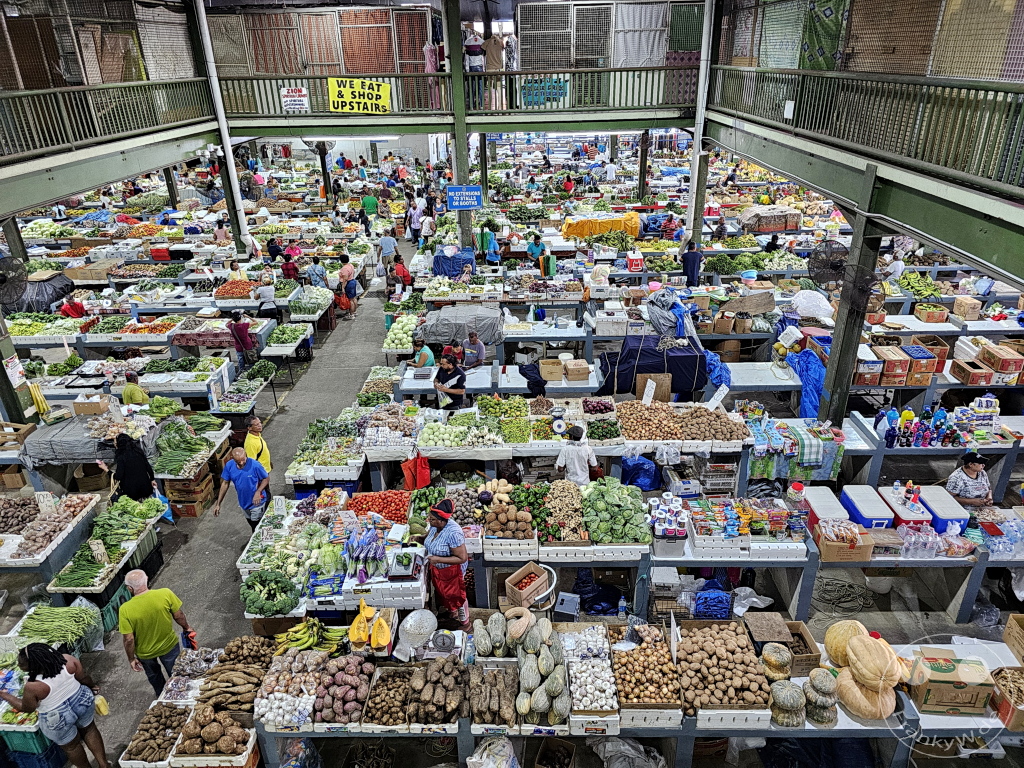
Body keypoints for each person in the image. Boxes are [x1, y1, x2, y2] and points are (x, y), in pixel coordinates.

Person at [0, 644, 108, 768]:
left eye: (22, 664)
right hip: (81, 701)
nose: (19, 666)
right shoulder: (68, 660)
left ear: (34, 666)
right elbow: (84, 678)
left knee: (72, 747)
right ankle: (104, 764)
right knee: (90, 729)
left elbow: (27, 708)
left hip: (57, 717)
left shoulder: (33, 686)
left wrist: (5, 695)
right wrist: (92, 686)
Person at [119, 570, 192, 696]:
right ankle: (181, 696)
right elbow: (178, 615)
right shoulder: (165, 593)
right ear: (146, 579)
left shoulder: (125, 609)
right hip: (168, 646)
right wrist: (186, 627)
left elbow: (129, 639)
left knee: (154, 676)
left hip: (145, 654)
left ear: (129, 588)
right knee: (176, 673)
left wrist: (131, 658)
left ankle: (163, 697)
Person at [417, 498, 469, 630]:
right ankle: (452, 612)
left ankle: (465, 623)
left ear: (441, 520)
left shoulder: (453, 533)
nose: (429, 520)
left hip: (452, 571)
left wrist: (438, 559)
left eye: (432, 519)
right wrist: (418, 538)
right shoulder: (435, 526)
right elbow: (428, 538)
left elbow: (462, 557)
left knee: (457, 596)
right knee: (445, 593)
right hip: (439, 569)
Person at [213, 447, 270, 531]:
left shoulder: (255, 465)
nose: (242, 463)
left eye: (243, 459)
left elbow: (266, 478)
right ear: (233, 459)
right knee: (251, 524)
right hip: (244, 502)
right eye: (238, 461)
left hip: (257, 502)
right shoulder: (229, 466)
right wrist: (218, 504)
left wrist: (258, 491)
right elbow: (225, 484)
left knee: (256, 528)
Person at [96, 434, 155, 503]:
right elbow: (148, 467)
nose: (115, 444)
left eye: (115, 442)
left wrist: (106, 469)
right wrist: (152, 479)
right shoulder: (138, 451)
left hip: (132, 492)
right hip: (146, 488)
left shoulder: (121, 457)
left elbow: (118, 476)